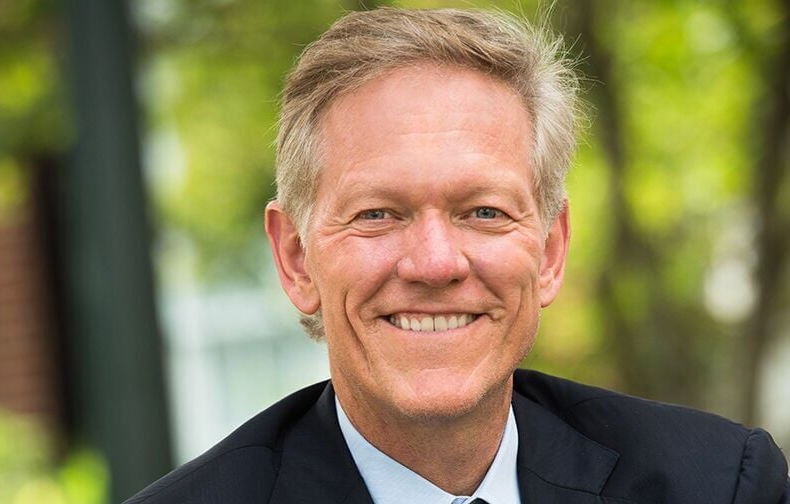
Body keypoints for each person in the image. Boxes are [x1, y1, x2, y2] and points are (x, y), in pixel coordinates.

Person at [126, 7, 789, 504]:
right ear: (297, 259)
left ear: (550, 250)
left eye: (483, 212)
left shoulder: (717, 485)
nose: (436, 263)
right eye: (378, 214)